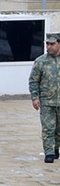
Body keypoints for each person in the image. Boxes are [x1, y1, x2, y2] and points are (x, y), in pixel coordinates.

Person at [28, 34, 60, 163]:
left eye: (52, 44)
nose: (49, 47)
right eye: (47, 44)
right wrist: (35, 97)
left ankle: (56, 148)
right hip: (47, 101)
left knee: (58, 129)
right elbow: (33, 81)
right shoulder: (41, 61)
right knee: (48, 128)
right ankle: (49, 152)